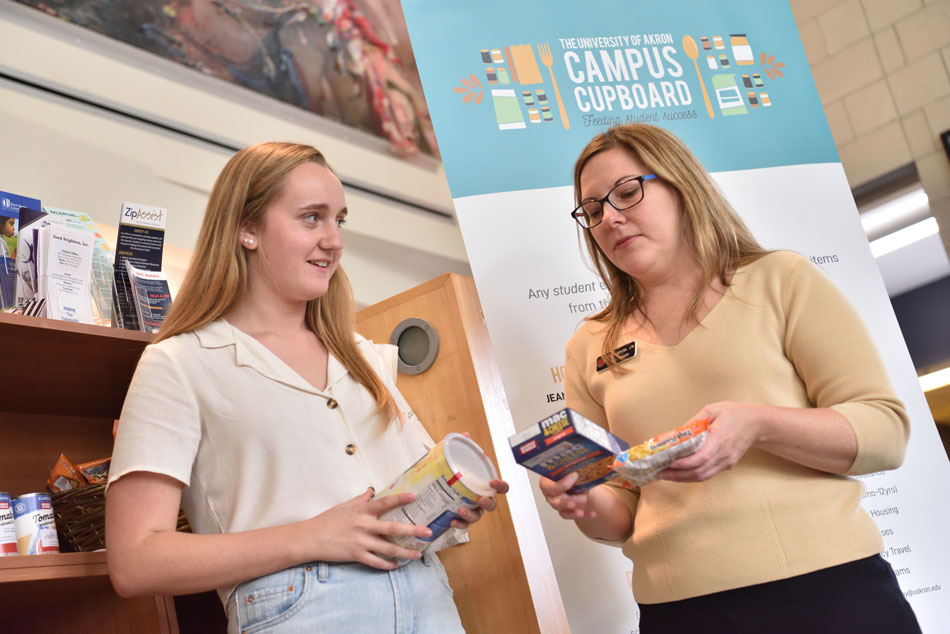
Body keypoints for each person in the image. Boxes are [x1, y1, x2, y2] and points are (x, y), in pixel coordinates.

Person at [106, 141, 508, 634]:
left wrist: (443, 508)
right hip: (298, 609)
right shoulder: (179, 362)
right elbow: (135, 561)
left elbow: (388, 514)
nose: (334, 240)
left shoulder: (363, 357)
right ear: (247, 229)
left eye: (340, 219)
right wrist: (312, 537)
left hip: (428, 601)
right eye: (311, 218)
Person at [539, 124, 920, 633]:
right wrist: (584, 500)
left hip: (830, 590)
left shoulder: (781, 280)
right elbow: (621, 508)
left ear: (681, 185)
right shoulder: (589, 345)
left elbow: (884, 432)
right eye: (591, 211)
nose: (610, 217)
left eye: (627, 192)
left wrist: (757, 425)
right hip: (680, 613)